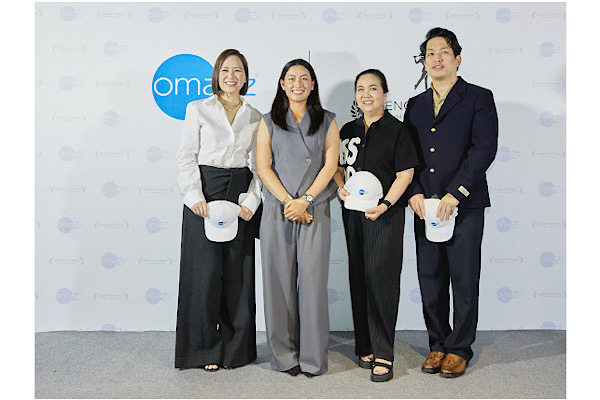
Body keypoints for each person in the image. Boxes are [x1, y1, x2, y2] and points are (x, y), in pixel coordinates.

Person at [404, 27, 498, 378]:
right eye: (430, 53)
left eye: (444, 51)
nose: (437, 58)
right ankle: (438, 343)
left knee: (464, 277)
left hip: (465, 204)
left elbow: (483, 149)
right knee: (430, 277)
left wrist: (455, 193)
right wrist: (414, 192)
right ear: (424, 62)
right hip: (424, 206)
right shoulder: (415, 104)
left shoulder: (478, 98)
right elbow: (408, 154)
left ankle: (459, 348)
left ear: (458, 58)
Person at [175, 49, 262, 371]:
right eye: (225, 70)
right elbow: (186, 156)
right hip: (204, 192)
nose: (231, 76)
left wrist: (252, 200)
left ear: (246, 77)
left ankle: (236, 350)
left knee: (238, 275)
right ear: (217, 74)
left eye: (238, 70)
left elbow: (259, 166)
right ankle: (203, 350)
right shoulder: (198, 109)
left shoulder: (255, 116)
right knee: (203, 275)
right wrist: (193, 194)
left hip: (240, 193)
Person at [333, 69, 419, 382]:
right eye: (360, 89)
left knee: (381, 280)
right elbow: (337, 167)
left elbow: (405, 174)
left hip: (385, 214)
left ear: (384, 94)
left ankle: (384, 353)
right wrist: (340, 187)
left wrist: (385, 205)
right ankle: (365, 345)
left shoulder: (398, 130)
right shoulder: (347, 130)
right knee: (358, 277)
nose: (366, 94)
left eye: (373, 88)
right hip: (352, 214)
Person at [256, 59, 340, 377]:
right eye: (291, 78)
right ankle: (283, 355)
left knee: (314, 283)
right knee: (277, 283)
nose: (298, 84)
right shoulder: (268, 121)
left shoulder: (328, 120)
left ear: (313, 84)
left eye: (304, 78)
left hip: (314, 208)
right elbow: (263, 167)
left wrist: (305, 201)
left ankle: (313, 357)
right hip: (278, 208)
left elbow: (330, 165)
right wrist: (289, 202)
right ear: (282, 84)